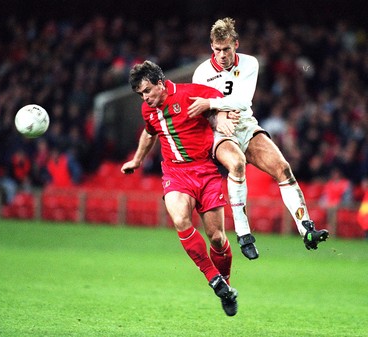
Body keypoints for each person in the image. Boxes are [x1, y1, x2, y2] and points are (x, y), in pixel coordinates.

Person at [188, 17, 329, 259]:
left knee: (283, 168)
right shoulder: (201, 73)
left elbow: (243, 101)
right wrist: (217, 116)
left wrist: (212, 103)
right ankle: (243, 234)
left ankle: (306, 229)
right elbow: (199, 111)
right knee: (237, 165)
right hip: (220, 131)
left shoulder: (250, 64)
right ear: (212, 46)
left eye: (227, 49)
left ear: (236, 45)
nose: (222, 55)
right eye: (217, 49)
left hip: (246, 125)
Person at [121, 60, 238, 316]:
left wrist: (220, 115)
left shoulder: (190, 92)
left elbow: (225, 101)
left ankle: (225, 284)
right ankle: (213, 278)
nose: (145, 98)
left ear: (160, 84)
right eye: (141, 94)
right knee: (180, 219)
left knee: (217, 238)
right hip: (176, 173)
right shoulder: (148, 110)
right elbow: (149, 132)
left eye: (148, 91)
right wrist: (138, 160)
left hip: (206, 170)